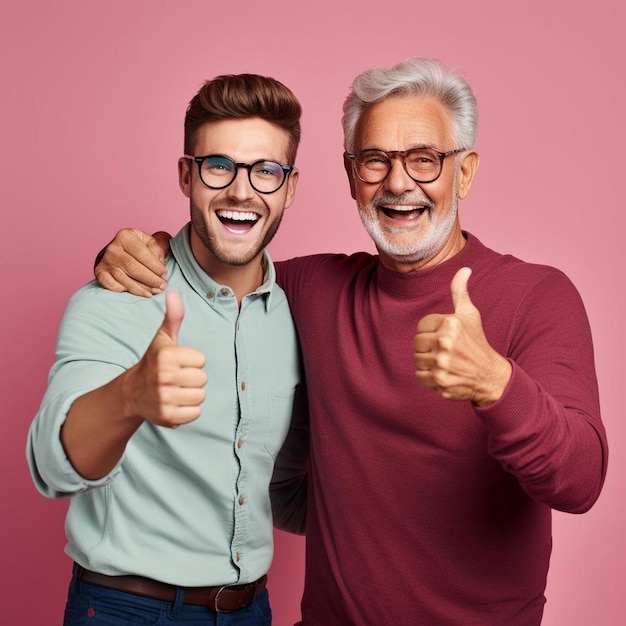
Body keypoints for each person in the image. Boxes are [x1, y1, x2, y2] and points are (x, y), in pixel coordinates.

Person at [93, 58, 608, 625]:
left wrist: (494, 383)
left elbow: (581, 481)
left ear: (464, 172)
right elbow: (215, 267)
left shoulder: (537, 296)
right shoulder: (312, 290)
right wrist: (145, 249)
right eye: (375, 161)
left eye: (423, 160)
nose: (397, 182)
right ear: (349, 175)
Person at [26, 73, 308, 626]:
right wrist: (131, 395)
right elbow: (51, 465)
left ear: (290, 187)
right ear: (187, 175)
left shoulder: (299, 311)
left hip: (253, 609)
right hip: (126, 609)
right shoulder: (122, 296)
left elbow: (284, 484)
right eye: (218, 165)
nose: (242, 190)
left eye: (266, 171)